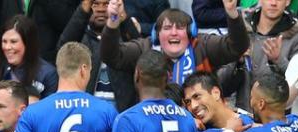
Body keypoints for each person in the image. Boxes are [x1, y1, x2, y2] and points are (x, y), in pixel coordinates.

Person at [101, 0, 249, 86]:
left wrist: (232, 13)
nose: (173, 32)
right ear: (157, 34)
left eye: (180, 28)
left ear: (190, 33)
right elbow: (111, 56)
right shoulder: (146, 47)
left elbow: (237, 47)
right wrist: (113, 19)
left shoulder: (202, 45)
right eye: (167, 28)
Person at [57, 0, 142, 110]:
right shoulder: (79, 39)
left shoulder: (125, 39)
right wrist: (83, 9)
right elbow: (63, 51)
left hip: (121, 114)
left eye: (106, 4)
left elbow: (142, 54)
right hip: (86, 112)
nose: (101, 9)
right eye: (95, 4)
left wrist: (121, 17)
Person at [0, 15, 59, 99]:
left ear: (28, 43)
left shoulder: (48, 74)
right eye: (4, 41)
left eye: (13, 42)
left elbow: (49, 109)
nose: (7, 47)